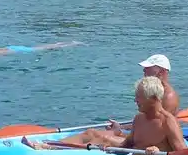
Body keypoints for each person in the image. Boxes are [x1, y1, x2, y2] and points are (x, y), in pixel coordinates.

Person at [10, 76, 188, 155]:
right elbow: (127, 147)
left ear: (153, 98)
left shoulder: (168, 122)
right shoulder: (139, 118)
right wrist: (112, 148)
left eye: (139, 97)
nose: (135, 100)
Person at [46, 54, 178, 149]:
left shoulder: (168, 96)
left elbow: (155, 129)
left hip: (149, 144)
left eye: (149, 68)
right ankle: (52, 146)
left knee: (93, 134)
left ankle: (50, 148)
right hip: (138, 136)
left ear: (162, 71)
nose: (144, 70)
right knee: (92, 132)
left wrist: (120, 130)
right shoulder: (154, 91)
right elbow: (147, 122)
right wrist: (121, 129)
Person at [0, 42, 81, 61]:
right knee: (45, 46)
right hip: (14, 48)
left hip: (21, 51)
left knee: (46, 48)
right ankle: (70, 43)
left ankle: (71, 43)